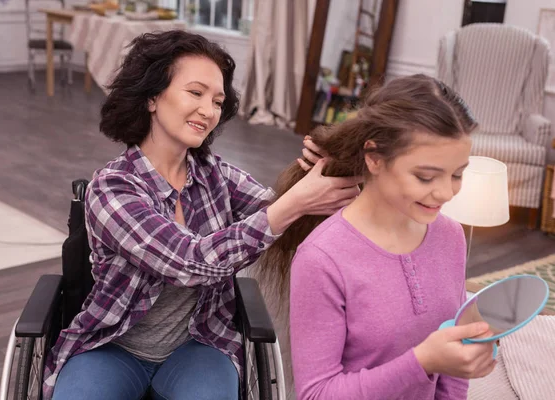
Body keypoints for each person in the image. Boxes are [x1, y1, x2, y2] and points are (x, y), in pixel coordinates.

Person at [42, 30, 360, 400]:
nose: (209, 111)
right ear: (151, 98)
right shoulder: (113, 188)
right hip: (114, 345)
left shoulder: (215, 174)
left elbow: (280, 220)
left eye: (217, 100)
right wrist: (293, 204)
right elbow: (190, 262)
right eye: (195, 93)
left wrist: (318, 174)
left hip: (199, 343)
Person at [258, 74, 497, 399]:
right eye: (425, 176)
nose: (445, 193)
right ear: (374, 158)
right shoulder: (322, 257)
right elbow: (317, 394)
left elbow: (453, 363)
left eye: (457, 174)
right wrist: (423, 361)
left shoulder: (451, 236)